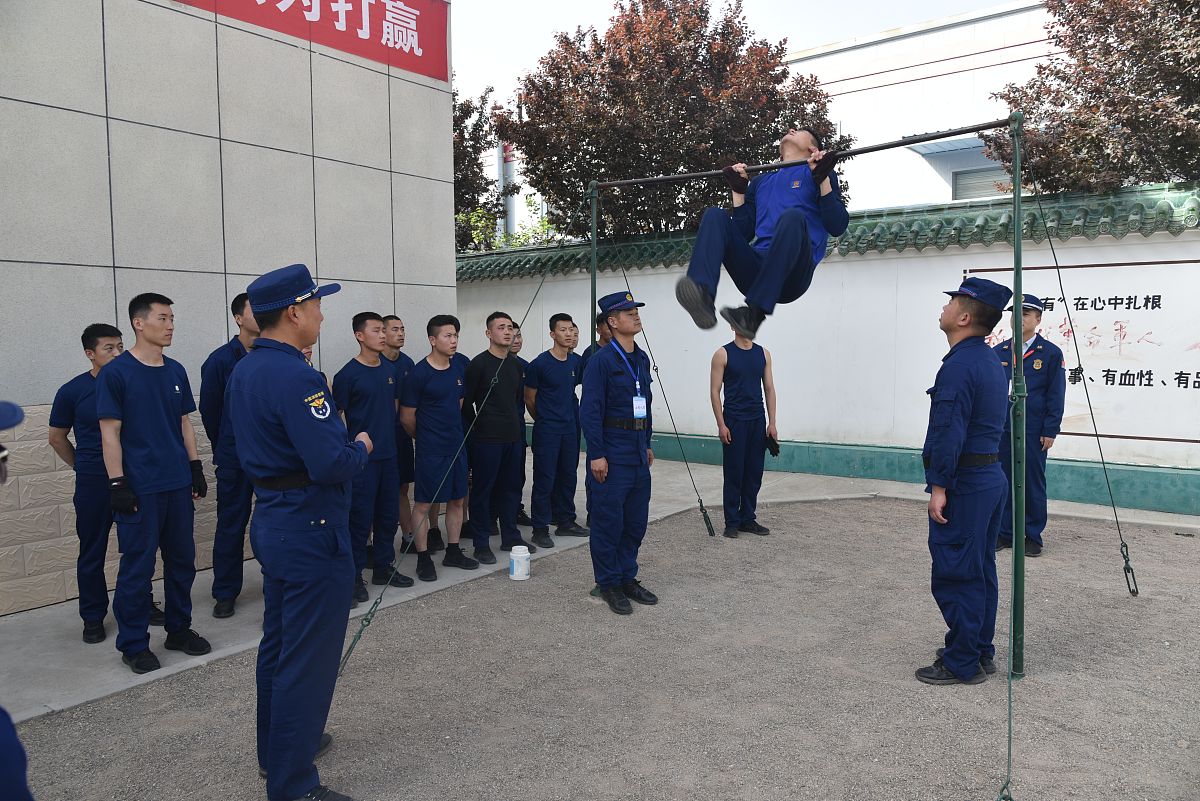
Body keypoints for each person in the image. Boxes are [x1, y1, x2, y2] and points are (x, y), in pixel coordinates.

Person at [226, 263, 367, 801]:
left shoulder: (248, 368)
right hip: (312, 524)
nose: (320, 314)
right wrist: (362, 447)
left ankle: (278, 748)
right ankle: (293, 784)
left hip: (278, 518)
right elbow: (331, 461)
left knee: (281, 645)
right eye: (315, 304)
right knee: (306, 660)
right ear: (293, 312)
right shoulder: (296, 375)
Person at [96, 293, 211, 674]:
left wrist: (195, 467)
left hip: (176, 483)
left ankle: (179, 630)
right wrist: (117, 483)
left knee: (182, 563)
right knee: (138, 568)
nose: (171, 325)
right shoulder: (117, 373)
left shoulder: (176, 370)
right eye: (163, 318)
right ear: (139, 323)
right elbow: (109, 433)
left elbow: (183, 423)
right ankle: (133, 644)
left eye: (173, 318)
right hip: (140, 487)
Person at [916, 277, 1011, 686]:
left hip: (966, 481)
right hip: (988, 476)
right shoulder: (989, 360)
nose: (946, 307)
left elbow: (947, 431)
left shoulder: (959, 366)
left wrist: (939, 487)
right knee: (980, 569)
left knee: (957, 571)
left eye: (953, 302)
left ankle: (962, 662)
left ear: (966, 316)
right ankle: (976, 648)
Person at [675, 126, 849, 340]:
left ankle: (754, 314)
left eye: (799, 130)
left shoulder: (818, 174)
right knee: (714, 215)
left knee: (792, 217)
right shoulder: (761, 182)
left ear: (812, 148)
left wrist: (823, 179)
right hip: (757, 269)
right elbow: (741, 233)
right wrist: (738, 193)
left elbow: (837, 225)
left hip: (795, 273)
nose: (791, 129)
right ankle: (702, 294)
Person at [49, 324, 129, 643]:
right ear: (90, 354)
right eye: (109, 348)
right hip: (94, 482)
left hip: (132, 477)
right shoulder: (72, 391)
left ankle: (137, 604)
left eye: (121, 346)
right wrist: (82, 466)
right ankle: (93, 616)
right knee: (92, 550)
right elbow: (56, 438)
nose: (118, 353)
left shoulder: (131, 384)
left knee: (138, 546)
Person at [580, 291, 658, 616]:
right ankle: (609, 582)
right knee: (608, 521)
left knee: (635, 521)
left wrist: (648, 442)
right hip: (611, 451)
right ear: (612, 322)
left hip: (637, 451)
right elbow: (590, 409)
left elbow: (646, 404)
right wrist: (596, 454)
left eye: (636, 310)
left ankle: (627, 576)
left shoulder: (639, 358)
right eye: (628, 312)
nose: (635, 315)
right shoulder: (601, 361)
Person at [334, 312, 413, 603]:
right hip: (362, 460)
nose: (383, 335)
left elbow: (393, 410)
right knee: (360, 518)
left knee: (388, 515)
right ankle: (354, 576)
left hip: (390, 455)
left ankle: (383, 566)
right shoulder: (347, 375)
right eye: (377, 330)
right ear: (360, 336)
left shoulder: (387, 370)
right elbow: (335, 417)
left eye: (384, 330)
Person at [400, 315, 479, 581]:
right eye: (447, 335)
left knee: (458, 499)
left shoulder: (459, 369)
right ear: (433, 340)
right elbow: (407, 417)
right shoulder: (419, 374)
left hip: (456, 445)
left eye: (455, 335)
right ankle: (423, 557)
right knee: (424, 502)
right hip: (430, 450)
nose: (454, 340)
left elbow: (457, 405)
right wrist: (425, 438)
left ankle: (453, 550)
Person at [199, 292, 259, 619]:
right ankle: (225, 591)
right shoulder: (221, 360)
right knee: (231, 524)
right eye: (254, 309)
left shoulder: (273, 355)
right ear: (238, 317)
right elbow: (210, 411)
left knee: (273, 520)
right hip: (234, 457)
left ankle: (277, 580)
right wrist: (225, 445)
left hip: (268, 456)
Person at [993, 294, 1065, 557]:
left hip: (1033, 430)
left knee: (1032, 482)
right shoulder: (998, 351)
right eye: (1015, 313)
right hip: (1002, 428)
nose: (1019, 318)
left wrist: (1050, 429)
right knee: (1002, 480)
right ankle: (1005, 532)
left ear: (1038, 319)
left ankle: (1032, 535)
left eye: (1025, 313)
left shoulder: (1051, 354)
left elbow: (1056, 394)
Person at [464, 312, 537, 559]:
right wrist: (478, 430)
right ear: (488, 333)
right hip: (486, 440)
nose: (508, 332)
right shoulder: (478, 364)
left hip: (513, 438)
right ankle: (481, 543)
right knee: (483, 492)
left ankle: (511, 537)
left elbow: (516, 402)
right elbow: (467, 404)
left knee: (511, 489)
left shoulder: (516, 366)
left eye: (510, 328)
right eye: (501, 327)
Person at [525, 313, 589, 548]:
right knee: (545, 478)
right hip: (547, 430)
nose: (569, 333)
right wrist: (544, 418)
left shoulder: (577, 362)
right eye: (563, 330)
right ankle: (540, 528)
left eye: (572, 329)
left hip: (571, 429)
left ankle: (565, 521)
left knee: (568, 476)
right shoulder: (540, 364)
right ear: (552, 334)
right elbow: (529, 399)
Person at [709, 324, 778, 538]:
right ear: (733, 325)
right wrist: (721, 424)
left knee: (754, 471)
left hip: (757, 420)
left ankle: (748, 518)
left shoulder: (763, 354)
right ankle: (732, 521)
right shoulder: (722, 354)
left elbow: (769, 388)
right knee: (734, 471)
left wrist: (772, 422)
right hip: (734, 420)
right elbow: (714, 391)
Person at [381, 315, 417, 553]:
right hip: (379, 439)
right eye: (395, 329)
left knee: (403, 487)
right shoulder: (374, 363)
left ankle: (408, 536)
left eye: (403, 329)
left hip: (402, 435)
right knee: (379, 491)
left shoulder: (407, 363)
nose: (401, 333)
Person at [579, 311, 613, 528]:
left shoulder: (628, 353)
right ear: (599, 328)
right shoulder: (592, 353)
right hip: (599, 421)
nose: (610, 330)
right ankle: (594, 512)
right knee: (596, 470)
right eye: (606, 326)